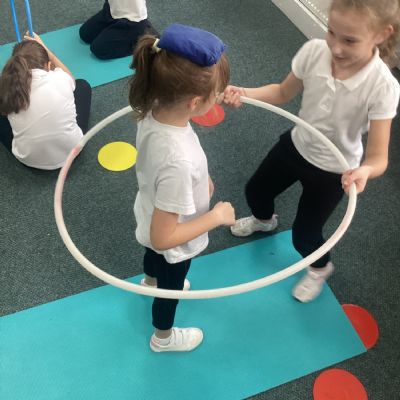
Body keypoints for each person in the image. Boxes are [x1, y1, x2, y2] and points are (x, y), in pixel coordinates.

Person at [224, 0, 400, 303]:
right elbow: (282, 92)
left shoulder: (382, 86)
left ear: (382, 34)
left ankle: (320, 269)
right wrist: (245, 92)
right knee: (255, 191)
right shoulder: (315, 52)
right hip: (297, 145)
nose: (336, 47)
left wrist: (366, 170)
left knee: (305, 236)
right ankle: (264, 220)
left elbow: (378, 157)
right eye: (331, 32)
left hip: (334, 171)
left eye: (350, 40)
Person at [129, 23, 235, 352]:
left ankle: (150, 281)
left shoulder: (153, 110)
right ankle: (163, 337)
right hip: (173, 241)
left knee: (152, 255)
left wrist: (201, 181)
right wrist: (216, 217)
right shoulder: (179, 162)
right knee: (171, 289)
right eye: (216, 94)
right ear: (194, 102)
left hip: (152, 208)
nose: (219, 98)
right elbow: (165, 238)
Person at [0, 34, 92, 170]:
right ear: (49, 65)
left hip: (28, 159)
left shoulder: (7, 86)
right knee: (82, 85)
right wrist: (50, 54)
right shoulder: (60, 78)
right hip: (72, 150)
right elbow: (72, 80)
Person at [79, 0, 158, 59]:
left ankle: (143, 36)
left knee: (99, 50)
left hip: (132, 20)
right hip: (111, 10)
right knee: (85, 34)